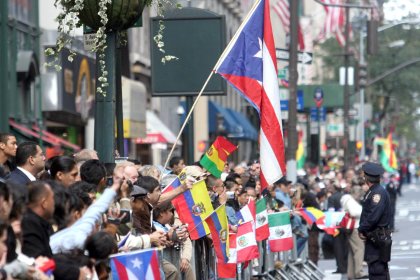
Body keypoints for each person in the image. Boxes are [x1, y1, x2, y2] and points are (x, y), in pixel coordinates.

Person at [358, 162, 392, 280]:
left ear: (367, 177)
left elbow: (373, 216)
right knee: (377, 270)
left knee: (377, 272)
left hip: (377, 238)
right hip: (375, 238)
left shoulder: (377, 193)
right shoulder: (374, 191)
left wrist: (361, 228)